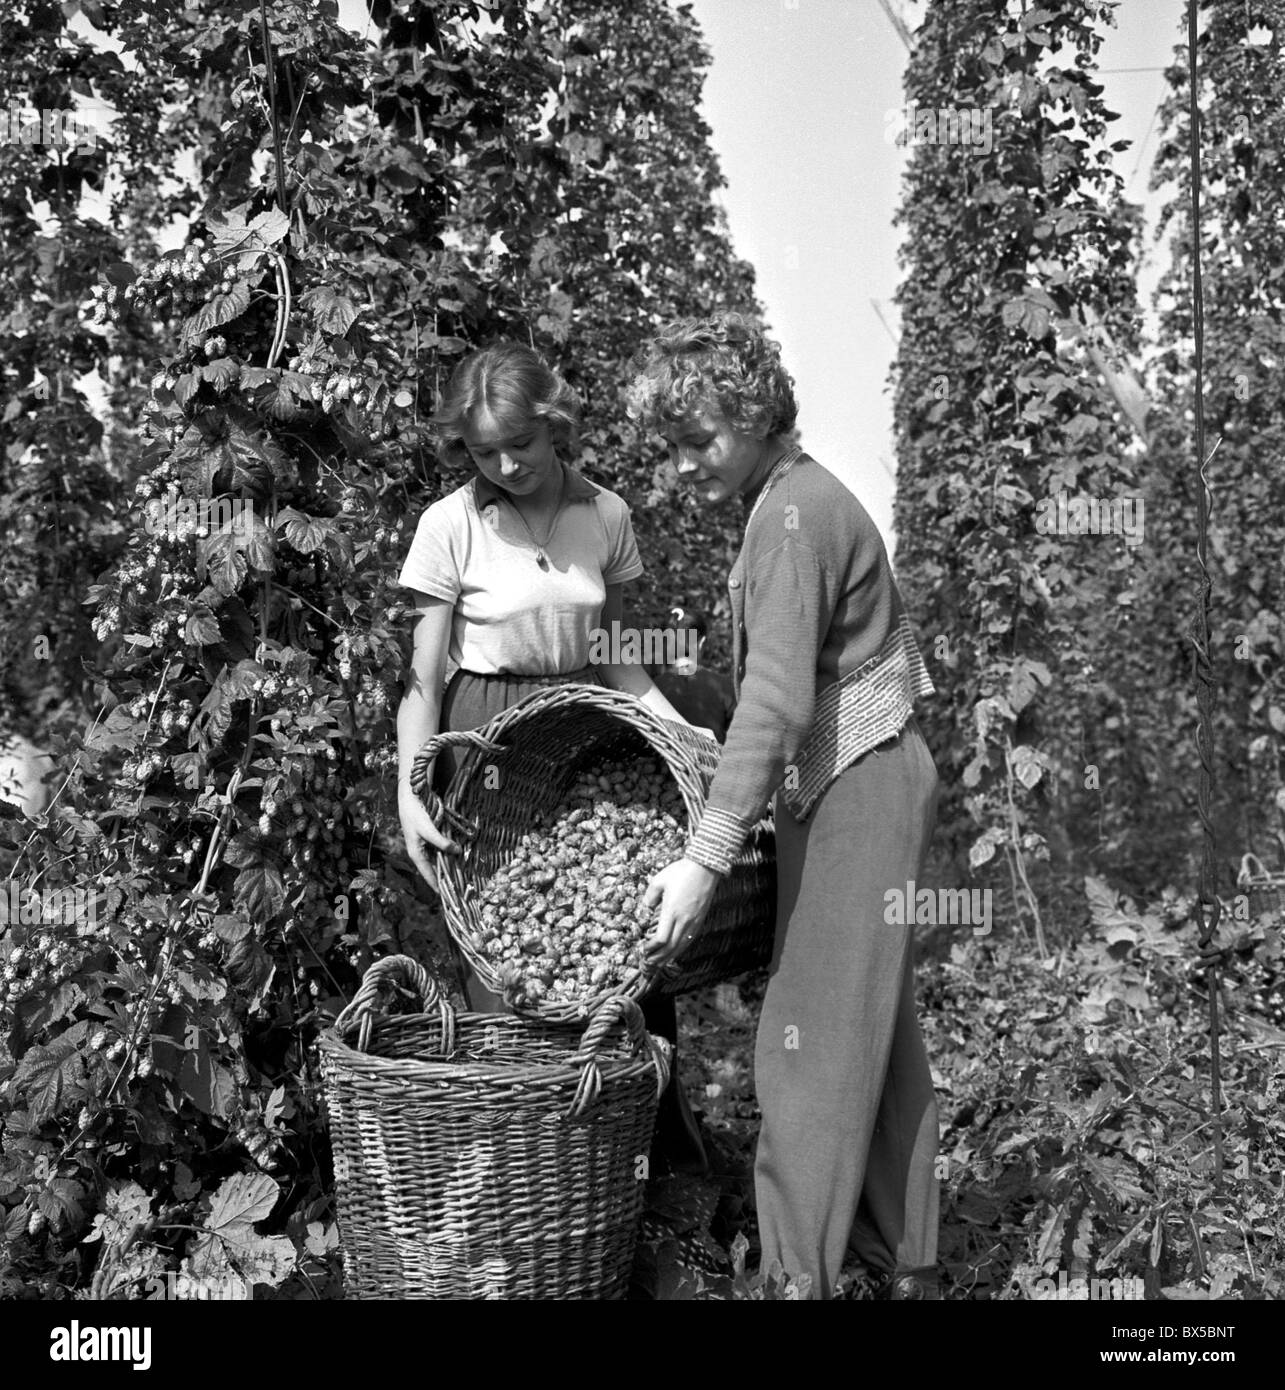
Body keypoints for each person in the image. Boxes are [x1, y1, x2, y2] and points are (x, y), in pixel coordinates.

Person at [627, 312, 941, 1299]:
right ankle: (907, 1254)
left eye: (695, 442)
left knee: (805, 1039)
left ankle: (796, 1277)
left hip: (858, 787)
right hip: (860, 773)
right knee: (873, 1032)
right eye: (670, 449)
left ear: (752, 412)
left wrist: (704, 854)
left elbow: (774, 701)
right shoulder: (786, 498)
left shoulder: (792, 519)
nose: (682, 467)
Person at [394, 340, 707, 1171]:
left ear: (552, 423)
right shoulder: (451, 524)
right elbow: (421, 680)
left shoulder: (604, 515)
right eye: (480, 451)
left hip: (590, 731)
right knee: (507, 946)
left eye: (518, 444)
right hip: (489, 734)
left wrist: (680, 734)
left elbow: (620, 655)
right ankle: (522, 1168)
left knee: (626, 933)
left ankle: (640, 1163)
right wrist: (408, 789)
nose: (503, 464)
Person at [648, 607, 736, 743]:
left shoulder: (651, 690)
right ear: (702, 643)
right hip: (713, 762)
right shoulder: (726, 686)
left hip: (665, 761)